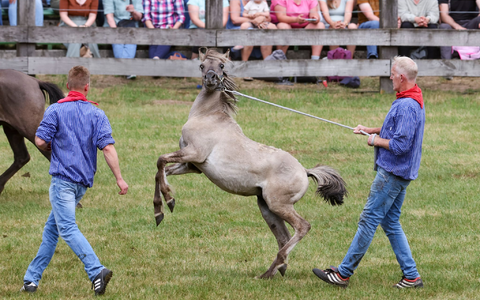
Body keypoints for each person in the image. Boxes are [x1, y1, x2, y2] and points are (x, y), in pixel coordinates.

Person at [313, 56, 425, 289]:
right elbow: (396, 131)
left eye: (392, 74)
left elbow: (400, 145)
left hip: (392, 173)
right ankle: (412, 276)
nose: (390, 77)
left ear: (401, 77)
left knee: (368, 220)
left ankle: (343, 274)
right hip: (400, 173)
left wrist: (375, 140)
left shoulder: (406, 105)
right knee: (390, 222)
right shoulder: (411, 97)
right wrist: (370, 130)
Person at [20, 66, 129, 295]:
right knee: (52, 231)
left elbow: (39, 141)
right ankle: (31, 280)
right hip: (81, 184)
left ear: (67, 86)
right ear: (87, 87)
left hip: (62, 183)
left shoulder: (55, 111)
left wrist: (49, 143)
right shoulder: (97, 114)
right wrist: (119, 179)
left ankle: (96, 269)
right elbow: (108, 148)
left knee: (67, 228)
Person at [227, 0, 277, 67]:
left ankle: (267, 65)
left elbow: (268, 18)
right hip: (240, 28)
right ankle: (244, 65)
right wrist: (253, 21)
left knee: (266, 32)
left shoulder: (263, 2)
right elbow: (235, 19)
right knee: (250, 32)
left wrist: (261, 18)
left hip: (259, 26)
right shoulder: (236, 1)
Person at [104, 0, 144, 79]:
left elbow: (139, 17)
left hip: (131, 26)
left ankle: (125, 69)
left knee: (130, 42)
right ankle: (128, 69)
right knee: (117, 41)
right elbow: (109, 17)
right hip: (114, 26)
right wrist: (117, 32)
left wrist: (133, 11)